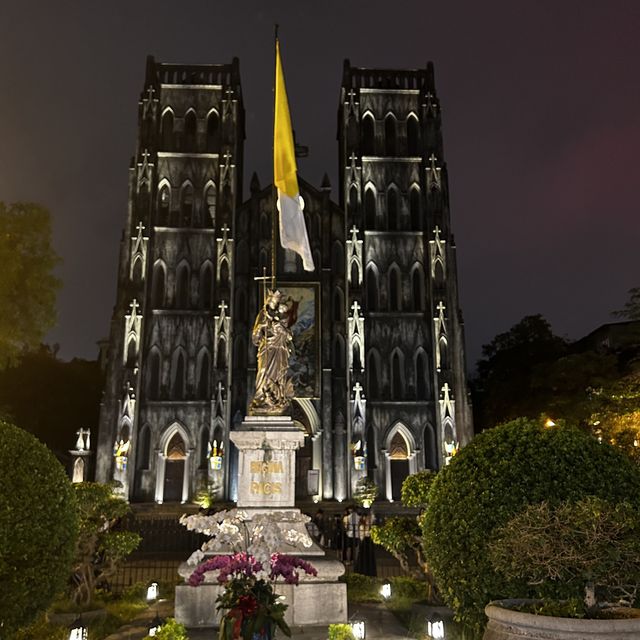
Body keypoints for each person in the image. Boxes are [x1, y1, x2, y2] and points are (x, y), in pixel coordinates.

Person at [250, 290, 294, 415]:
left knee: (277, 375)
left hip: (279, 350)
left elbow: (289, 336)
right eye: (273, 301)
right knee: (263, 371)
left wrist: (282, 329)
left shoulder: (281, 317)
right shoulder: (263, 314)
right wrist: (261, 327)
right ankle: (261, 397)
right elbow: (255, 337)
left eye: (276, 301)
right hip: (266, 348)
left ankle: (275, 399)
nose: (274, 303)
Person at [354, 510, 377, 576]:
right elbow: (362, 535)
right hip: (364, 543)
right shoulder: (362, 526)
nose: (367, 519)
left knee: (369, 558)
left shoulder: (368, 526)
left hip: (368, 543)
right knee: (364, 558)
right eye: (366, 518)